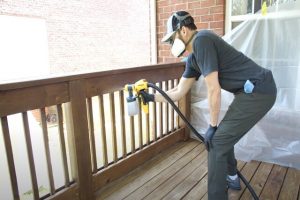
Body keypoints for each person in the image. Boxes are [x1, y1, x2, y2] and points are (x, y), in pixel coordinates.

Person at [140, 11, 277, 200]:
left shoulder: (202, 40)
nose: (172, 44)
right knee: (221, 138)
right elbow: (178, 92)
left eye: (173, 38)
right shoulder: (193, 58)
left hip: (259, 89)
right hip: (248, 92)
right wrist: (151, 97)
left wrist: (212, 127)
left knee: (217, 141)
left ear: (184, 30)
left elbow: (214, 90)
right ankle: (232, 177)